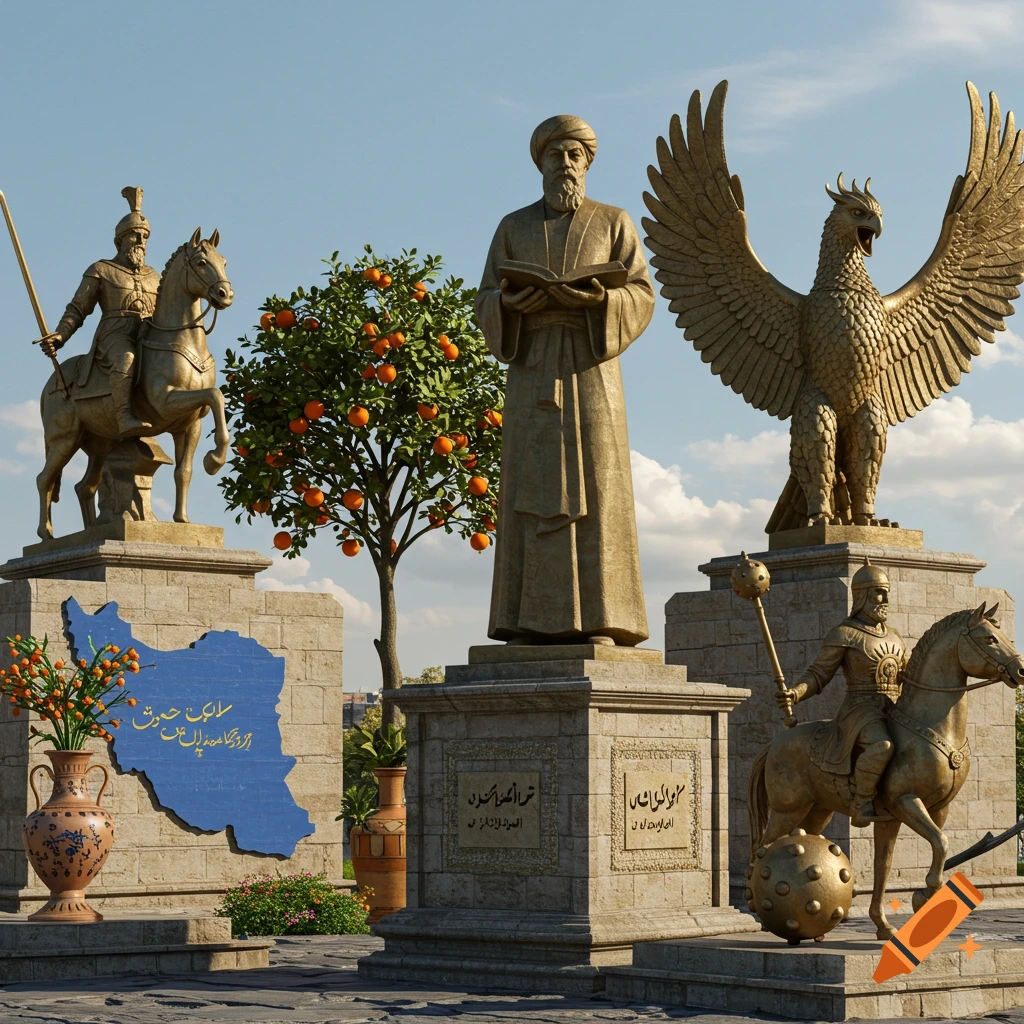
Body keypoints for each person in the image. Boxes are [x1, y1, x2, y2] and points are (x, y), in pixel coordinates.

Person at [475, 115, 654, 646]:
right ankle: (525, 622)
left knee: (599, 481)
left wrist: (602, 300)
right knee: (529, 483)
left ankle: (604, 619)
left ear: (588, 162)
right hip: (532, 366)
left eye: (576, 154)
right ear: (541, 163)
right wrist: (509, 304)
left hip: (592, 365)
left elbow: (641, 294)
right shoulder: (513, 227)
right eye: (556, 154)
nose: (566, 164)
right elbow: (484, 298)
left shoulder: (615, 222)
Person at [775, 559, 905, 826]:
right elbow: (819, 674)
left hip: (894, 706)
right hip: (861, 710)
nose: (885, 599)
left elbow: (907, 672)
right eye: (878, 592)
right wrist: (796, 694)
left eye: (886, 592)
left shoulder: (894, 636)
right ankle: (861, 802)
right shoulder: (845, 634)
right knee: (882, 746)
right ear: (862, 596)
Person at [40, 187, 160, 436]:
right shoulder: (101, 269)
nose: (141, 242)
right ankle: (123, 415)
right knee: (126, 358)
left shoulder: (154, 276)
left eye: (145, 237)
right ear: (120, 241)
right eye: (134, 235)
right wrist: (60, 336)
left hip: (148, 334)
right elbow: (78, 308)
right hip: (115, 334)